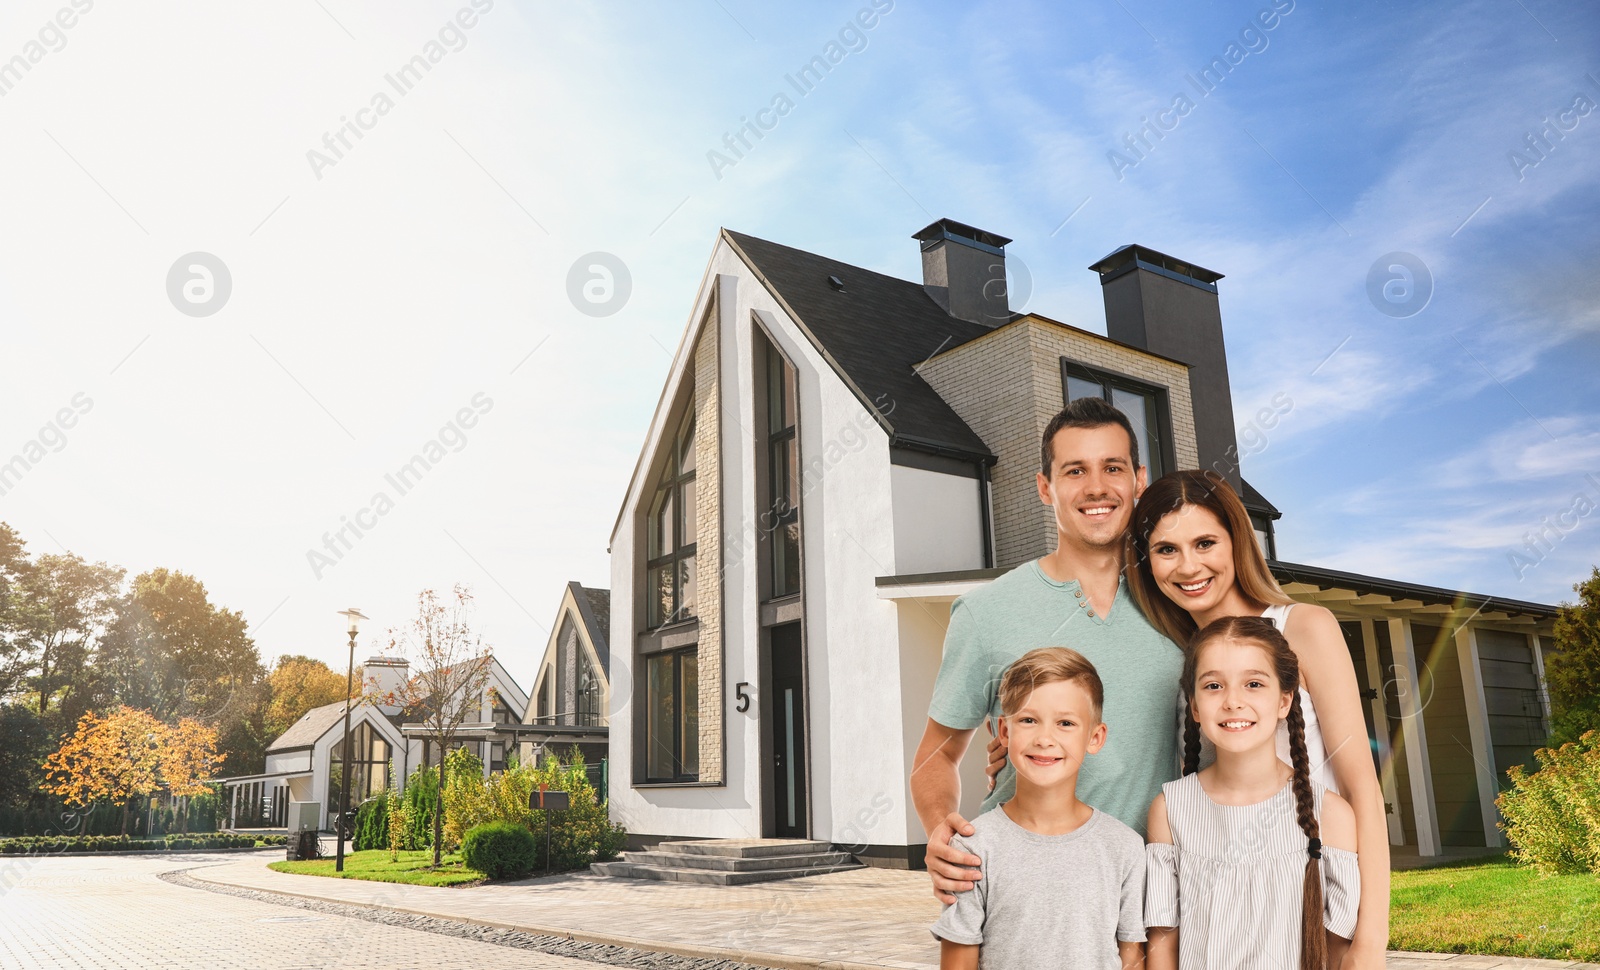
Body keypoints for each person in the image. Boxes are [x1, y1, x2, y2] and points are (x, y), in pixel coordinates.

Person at [912, 396, 1183, 903]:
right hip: (1020, 893)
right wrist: (939, 830)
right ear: (1045, 487)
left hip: (1148, 896)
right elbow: (935, 757)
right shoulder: (985, 612)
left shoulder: (1178, 602)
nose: (1097, 487)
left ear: (1138, 480)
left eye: (1113, 468)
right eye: (1075, 470)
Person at [1128, 469, 1389, 967]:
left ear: (1237, 541)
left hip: (1311, 914)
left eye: (1205, 542)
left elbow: (1362, 789)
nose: (1188, 566)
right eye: (1166, 550)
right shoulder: (1182, 658)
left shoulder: (1304, 627)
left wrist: (1370, 944)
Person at [1144, 615, 1359, 970]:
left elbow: (1338, 951)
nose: (1232, 702)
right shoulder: (1170, 809)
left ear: (1284, 701)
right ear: (1194, 706)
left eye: (1254, 684)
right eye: (1213, 686)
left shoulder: (1331, 815)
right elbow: (1163, 944)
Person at [933, 648, 1146, 970]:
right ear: (1005, 731)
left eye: (1065, 723)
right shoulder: (972, 848)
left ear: (1095, 737)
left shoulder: (1124, 847)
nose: (1045, 738)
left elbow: (1132, 956)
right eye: (1029, 720)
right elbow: (958, 961)